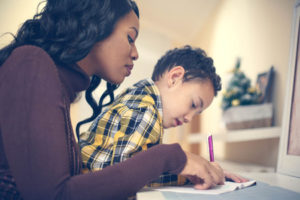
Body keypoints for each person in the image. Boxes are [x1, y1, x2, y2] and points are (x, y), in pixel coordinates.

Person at [0, 0, 226, 199]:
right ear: (94, 26)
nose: (136, 53)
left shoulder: (55, 84)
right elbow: (55, 196)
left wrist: (193, 171)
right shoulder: (31, 64)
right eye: (130, 37)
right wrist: (169, 157)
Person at [80, 45, 221, 187]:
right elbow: (126, 177)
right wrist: (191, 175)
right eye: (193, 104)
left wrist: (200, 170)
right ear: (175, 78)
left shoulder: (139, 96)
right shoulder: (145, 109)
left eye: (197, 114)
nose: (189, 119)